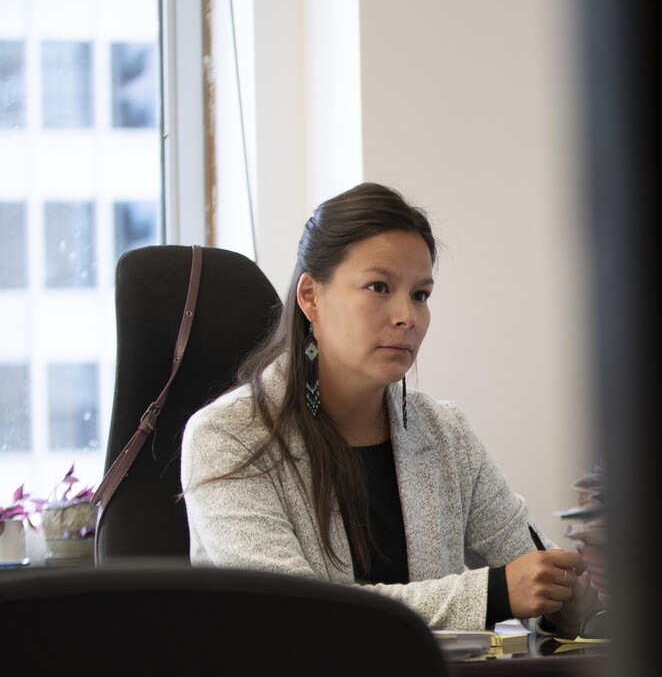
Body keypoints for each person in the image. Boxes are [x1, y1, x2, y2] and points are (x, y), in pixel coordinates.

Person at [180, 182, 600, 633]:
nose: (407, 316)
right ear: (310, 297)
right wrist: (495, 593)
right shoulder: (229, 436)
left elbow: (532, 572)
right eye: (379, 287)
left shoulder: (445, 433)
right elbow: (297, 612)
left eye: (420, 295)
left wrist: (565, 605)